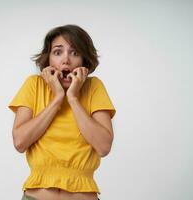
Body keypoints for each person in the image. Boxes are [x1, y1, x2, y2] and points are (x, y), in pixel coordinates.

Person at [8, 24, 116, 200]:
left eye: (75, 53)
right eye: (58, 52)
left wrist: (72, 98)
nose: (66, 60)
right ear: (48, 60)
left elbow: (104, 147)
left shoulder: (94, 87)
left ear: (83, 60)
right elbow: (20, 142)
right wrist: (58, 98)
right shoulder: (34, 85)